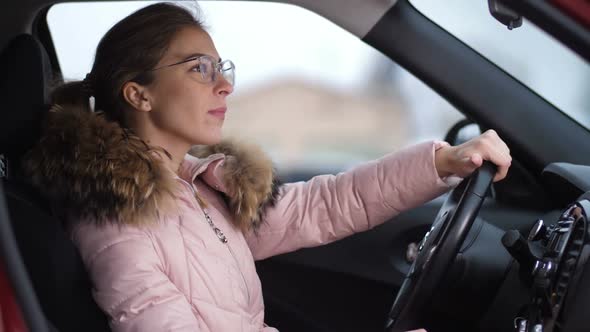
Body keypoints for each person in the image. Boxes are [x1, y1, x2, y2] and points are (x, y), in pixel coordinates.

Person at [23, 2, 511, 332]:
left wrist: (441, 163)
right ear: (139, 93)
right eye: (199, 68)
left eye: (222, 68)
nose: (225, 86)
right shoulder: (114, 215)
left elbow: (323, 205)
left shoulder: (196, 186)